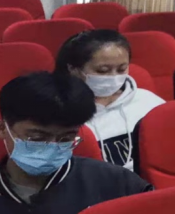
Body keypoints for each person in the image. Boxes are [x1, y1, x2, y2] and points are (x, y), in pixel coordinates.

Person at [0, 72, 152, 214]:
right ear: (2, 129)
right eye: (37, 138)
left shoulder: (117, 182)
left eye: (66, 138)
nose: (52, 147)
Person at [54, 30, 165, 171]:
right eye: (102, 70)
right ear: (73, 69)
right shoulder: (59, 112)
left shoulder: (148, 101)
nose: (113, 77)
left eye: (121, 69)